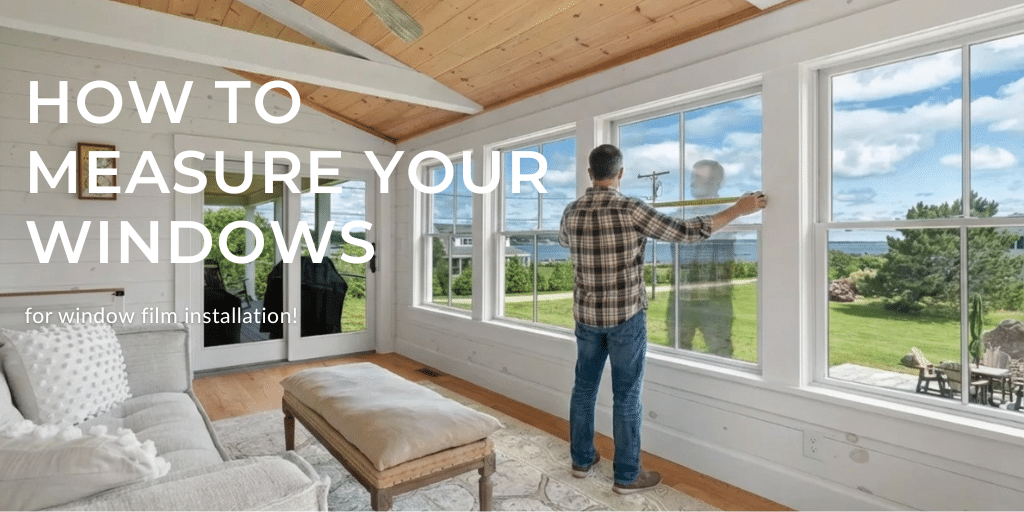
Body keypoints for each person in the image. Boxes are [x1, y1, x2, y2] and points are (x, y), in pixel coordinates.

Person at [558, 145, 766, 494]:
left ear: (590, 174)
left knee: (584, 389)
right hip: (625, 317)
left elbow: (565, 241)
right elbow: (687, 231)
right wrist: (739, 209)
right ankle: (626, 476)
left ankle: (581, 460)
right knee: (626, 396)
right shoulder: (630, 207)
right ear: (620, 173)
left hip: (587, 317)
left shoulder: (572, 210)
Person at [667, 159, 736, 357]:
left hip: (716, 301)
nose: (693, 182)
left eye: (699, 177)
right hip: (681, 299)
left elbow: (705, 230)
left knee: (721, 354)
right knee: (675, 353)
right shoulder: (679, 213)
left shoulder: (728, 215)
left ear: (717, 181)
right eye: (693, 177)